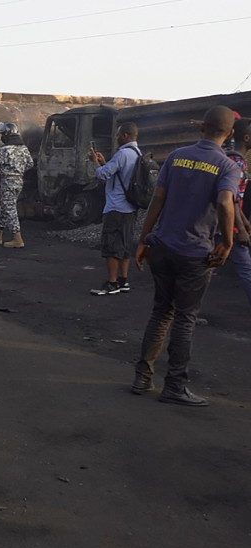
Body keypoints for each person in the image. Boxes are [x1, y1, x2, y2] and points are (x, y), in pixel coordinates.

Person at [132, 106, 240, 406]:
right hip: (195, 254)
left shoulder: (177, 156)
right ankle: (175, 385)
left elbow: (158, 198)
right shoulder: (227, 166)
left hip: (162, 247)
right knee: (185, 318)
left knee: (161, 311)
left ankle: (142, 377)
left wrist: (144, 239)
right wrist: (228, 242)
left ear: (201, 127)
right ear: (229, 133)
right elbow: (224, 202)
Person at [89, 122, 141, 296]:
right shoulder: (137, 153)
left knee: (111, 246)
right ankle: (123, 280)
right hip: (131, 208)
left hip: (116, 207)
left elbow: (102, 174)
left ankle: (111, 283)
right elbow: (118, 173)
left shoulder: (122, 154)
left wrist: (96, 163)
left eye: (118, 134)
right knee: (125, 245)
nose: (116, 137)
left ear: (125, 135)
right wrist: (105, 162)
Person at [0, 122, 34, 248]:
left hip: (8, 181)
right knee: (5, 207)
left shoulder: (5, 150)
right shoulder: (24, 148)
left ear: (7, 135)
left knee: (10, 208)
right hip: (18, 181)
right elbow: (30, 164)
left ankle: (17, 238)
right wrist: (18, 169)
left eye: (2, 134)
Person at [224, 118, 251, 306]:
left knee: (204, 269)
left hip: (224, 224)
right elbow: (230, 198)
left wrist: (243, 220)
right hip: (227, 225)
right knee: (246, 269)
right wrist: (240, 228)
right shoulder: (237, 163)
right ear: (247, 138)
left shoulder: (234, 160)